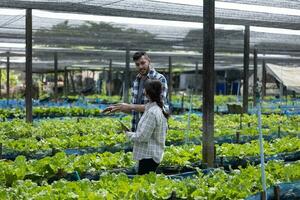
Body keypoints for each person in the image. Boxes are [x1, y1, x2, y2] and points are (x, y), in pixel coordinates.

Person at [103, 51, 169, 131]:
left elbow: (157, 107)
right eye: (137, 64)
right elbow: (136, 109)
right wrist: (120, 108)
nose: (140, 66)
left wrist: (130, 106)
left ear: (149, 61)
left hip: (153, 130)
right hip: (138, 129)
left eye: (143, 63)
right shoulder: (137, 81)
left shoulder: (159, 79)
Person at [125, 79, 168, 175]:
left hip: (149, 156)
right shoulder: (156, 108)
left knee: (144, 185)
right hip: (151, 155)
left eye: (144, 88)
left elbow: (142, 137)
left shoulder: (153, 112)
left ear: (147, 92)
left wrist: (128, 134)